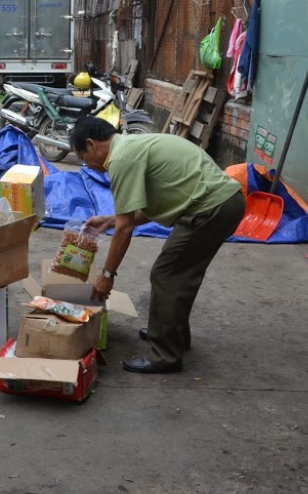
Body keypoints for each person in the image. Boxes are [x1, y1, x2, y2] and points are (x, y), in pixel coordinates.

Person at [71, 117, 246, 374]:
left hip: (210, 208)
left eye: (83, 158)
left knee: (166, 274)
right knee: (181, 274)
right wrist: (109, 220)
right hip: (221, 203)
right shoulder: (132, 147)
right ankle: (172, 335)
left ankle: (165, 354)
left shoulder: (120, 159)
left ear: (91, 144)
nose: (88, 166)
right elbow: (149, 210)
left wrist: (107, 275)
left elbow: (126, 227)